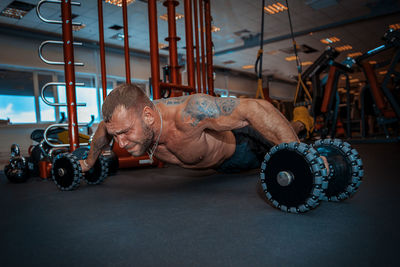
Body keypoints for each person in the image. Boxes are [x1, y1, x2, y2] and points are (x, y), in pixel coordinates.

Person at [80, 83, 326, 173]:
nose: (120, 143)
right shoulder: (118, 124)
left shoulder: (189, 112)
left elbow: (256, 108)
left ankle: (301, 122)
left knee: (289, 137)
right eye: (117, 135)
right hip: (220, 168)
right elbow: (102, 133)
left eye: (124, 133)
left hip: (245, 147)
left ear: (148, 115)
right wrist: (89, 163)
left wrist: (303, 156)